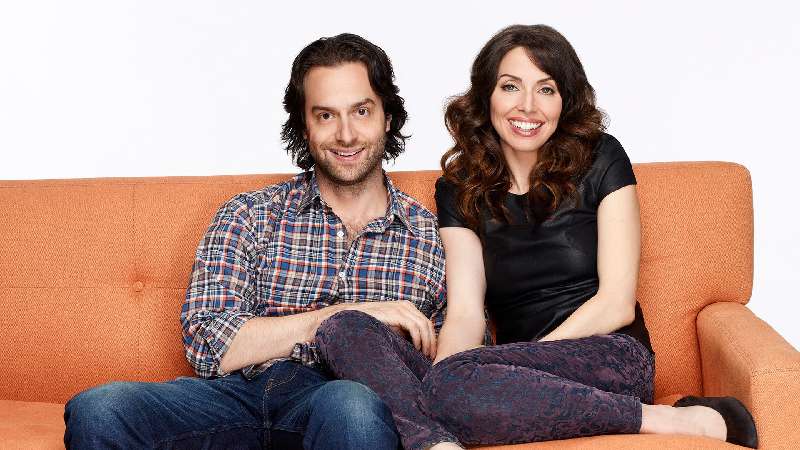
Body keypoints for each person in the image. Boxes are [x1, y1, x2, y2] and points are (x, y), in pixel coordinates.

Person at [316, 24, 758, 449]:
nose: (527, 106)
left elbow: (616, 303)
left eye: (546, 90)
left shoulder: (602, 157)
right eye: (510, 87)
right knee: (345, 327)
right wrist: (452, 373)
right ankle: (437, 442)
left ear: (565, 102)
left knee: (455, 385)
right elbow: (466, 314)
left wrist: (515, 366)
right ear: (487, 96)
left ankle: (664, 418)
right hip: (506, 373)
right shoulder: (458, 187)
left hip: (610, 355)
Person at [63, 33, 454, 450]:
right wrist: (345, 317)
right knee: (99, 410)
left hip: (345, 403)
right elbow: (209, 344)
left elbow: (449, 375)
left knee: (351, 406)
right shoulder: (250, 214)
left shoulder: (432, 238)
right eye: (325, 115)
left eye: (361, 111)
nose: (346, 134)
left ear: (387, 117)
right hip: (238, 395)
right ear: (304, 126)